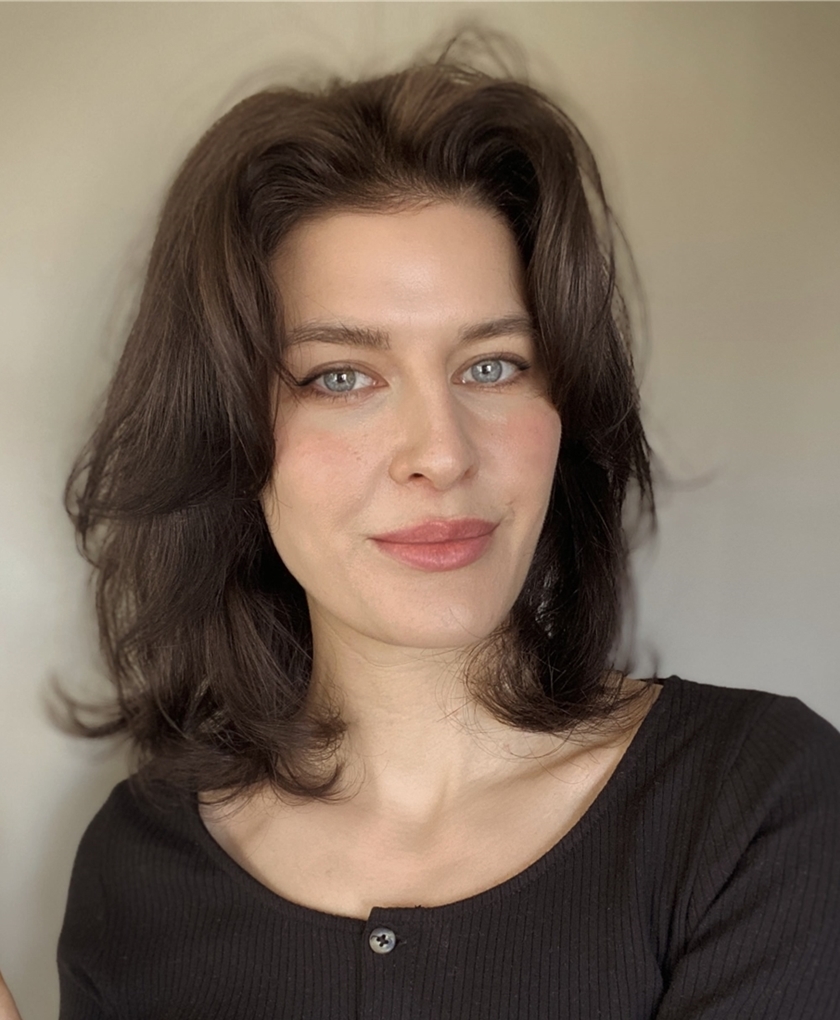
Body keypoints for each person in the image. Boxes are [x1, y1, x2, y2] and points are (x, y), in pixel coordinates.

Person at [4, 32, 838, 1020]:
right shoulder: (134, 870)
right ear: (226, 435)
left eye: (493, 365)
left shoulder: (758, 804)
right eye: (341, 377)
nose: (441, 453)